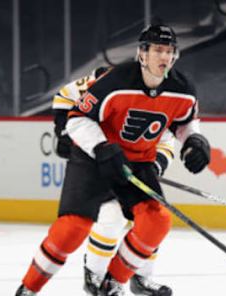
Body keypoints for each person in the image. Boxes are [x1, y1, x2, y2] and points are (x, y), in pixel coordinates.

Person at [16, 24, 210, 296]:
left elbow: (185, 123)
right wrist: (100, 147)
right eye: (157, 51)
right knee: (73, 227)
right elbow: (78, 118)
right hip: (93, 160)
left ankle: (112, 282)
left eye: (169, 51)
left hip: (137, 162)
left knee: (157, 221)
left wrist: (194, 141)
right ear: (142, 54)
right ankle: (28, 288)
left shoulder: (182, 89)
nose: (163, 57)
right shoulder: (114, 81)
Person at [52, 67, 175, 295]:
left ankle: (142, 277)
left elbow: (167, 140)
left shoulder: (151, 98)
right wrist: (63, 132)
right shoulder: (94, 85)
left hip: (136, 166)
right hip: (102, 164)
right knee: (111, 218)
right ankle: (95, 277)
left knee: (151, 219)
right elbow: (63, 98)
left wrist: (153, 167)